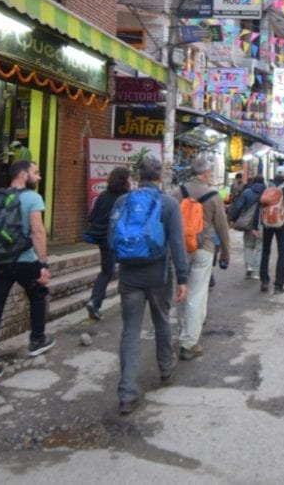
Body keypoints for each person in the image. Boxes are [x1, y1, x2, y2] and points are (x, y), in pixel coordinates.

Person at [116, 154, 189, 415]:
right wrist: (182, 277)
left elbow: (112, 237)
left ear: (138, 176)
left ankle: (127, 394)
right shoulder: (169, 203)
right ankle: (166, 367)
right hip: (159, 275)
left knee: (130, 331)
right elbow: (177, 243)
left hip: (129, 277)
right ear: (160, 177)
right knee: (162, 321)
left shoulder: (123, 201)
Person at [0, 160, 54, 385]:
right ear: (22, 175)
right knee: (38, 295)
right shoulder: (32, 198)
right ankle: (37, 340)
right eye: (36, 173)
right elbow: (37, 232)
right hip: (25, 261)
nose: (39, 177)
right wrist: (44, 264)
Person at [170, 157, 231, 361]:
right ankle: (189, 343)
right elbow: (222, 228)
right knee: (197, 294)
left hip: (180, 250)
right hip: (204, 249)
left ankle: (186, 330)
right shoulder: (213, 196)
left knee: (182, 291)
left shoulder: (176, 193)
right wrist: (225, 253)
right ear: (206, 173)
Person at [84, 166, 131, 321]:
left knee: (106, 271)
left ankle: (95, 301)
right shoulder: (125, 198)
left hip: (102, 239)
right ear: (124, 180)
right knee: (124, 270)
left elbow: (92, 218)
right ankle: (121, 303)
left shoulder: (103, 196)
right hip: (119, 238)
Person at [260, 173, 284, 294]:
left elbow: (260, 206)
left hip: (267, 223)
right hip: (282, 223)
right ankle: (278, 285)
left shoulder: (267, 189)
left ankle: (264, 281)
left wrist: (259, 223)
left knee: (265, 251)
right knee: (282, 254)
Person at [231, 174, 266, 279]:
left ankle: (249, 267)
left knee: (248, 246)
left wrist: (233, 219)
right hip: (262, 224)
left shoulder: (247, 192)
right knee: (260, 248)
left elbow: (238, 206)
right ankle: (256, 272)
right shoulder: (267, 192)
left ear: (253, 182)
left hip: (249, 224)